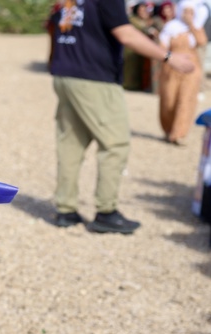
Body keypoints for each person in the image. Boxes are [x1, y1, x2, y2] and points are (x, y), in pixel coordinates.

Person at [50, 0, 194, 234]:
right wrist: (169, 57)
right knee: (115, 144)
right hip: (94, 77)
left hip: (66, 72)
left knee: (71, 144)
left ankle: (65, 210)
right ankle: (106, 212)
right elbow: (125, 34)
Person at [159, 1, 206, 145]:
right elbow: (162, 47)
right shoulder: (170, 27)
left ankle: (179, 133)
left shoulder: (196, 28)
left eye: (191, 12)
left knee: (186, 100)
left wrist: (191, 24)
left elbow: (202, 42)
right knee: (169, 100)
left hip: (191, 69)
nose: (188, 15)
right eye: (186, 11)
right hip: (172, 68)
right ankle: (168, 129)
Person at [124, 1, 158, 91]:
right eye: (140, 10)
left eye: (144, 10)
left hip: (142, 48)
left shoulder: (147, 21)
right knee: (131, 68)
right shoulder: (133, 19)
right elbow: (141, 29)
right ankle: (128, 85)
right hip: (131, 48)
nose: (142, 12)